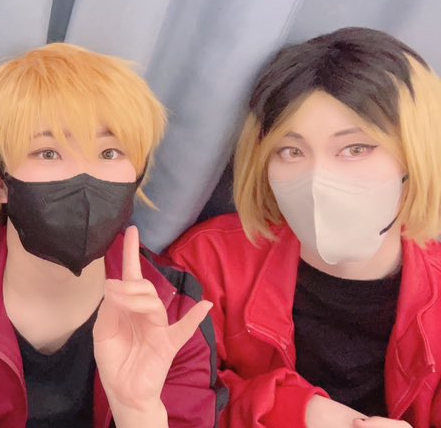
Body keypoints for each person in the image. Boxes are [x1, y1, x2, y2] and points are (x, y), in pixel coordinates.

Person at [0, 43, 224, 427]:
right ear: (0, 183)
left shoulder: (173, 310)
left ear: (137, 177)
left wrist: (138, 411)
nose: (84, 177)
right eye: (48, 152)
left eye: (109, 153)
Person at [166, 27, 441, 427]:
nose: (317, 180)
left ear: (415, 155)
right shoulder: (209, 262)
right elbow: (167, 396)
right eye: (291, 151)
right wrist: (299, 413)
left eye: (355, 148)